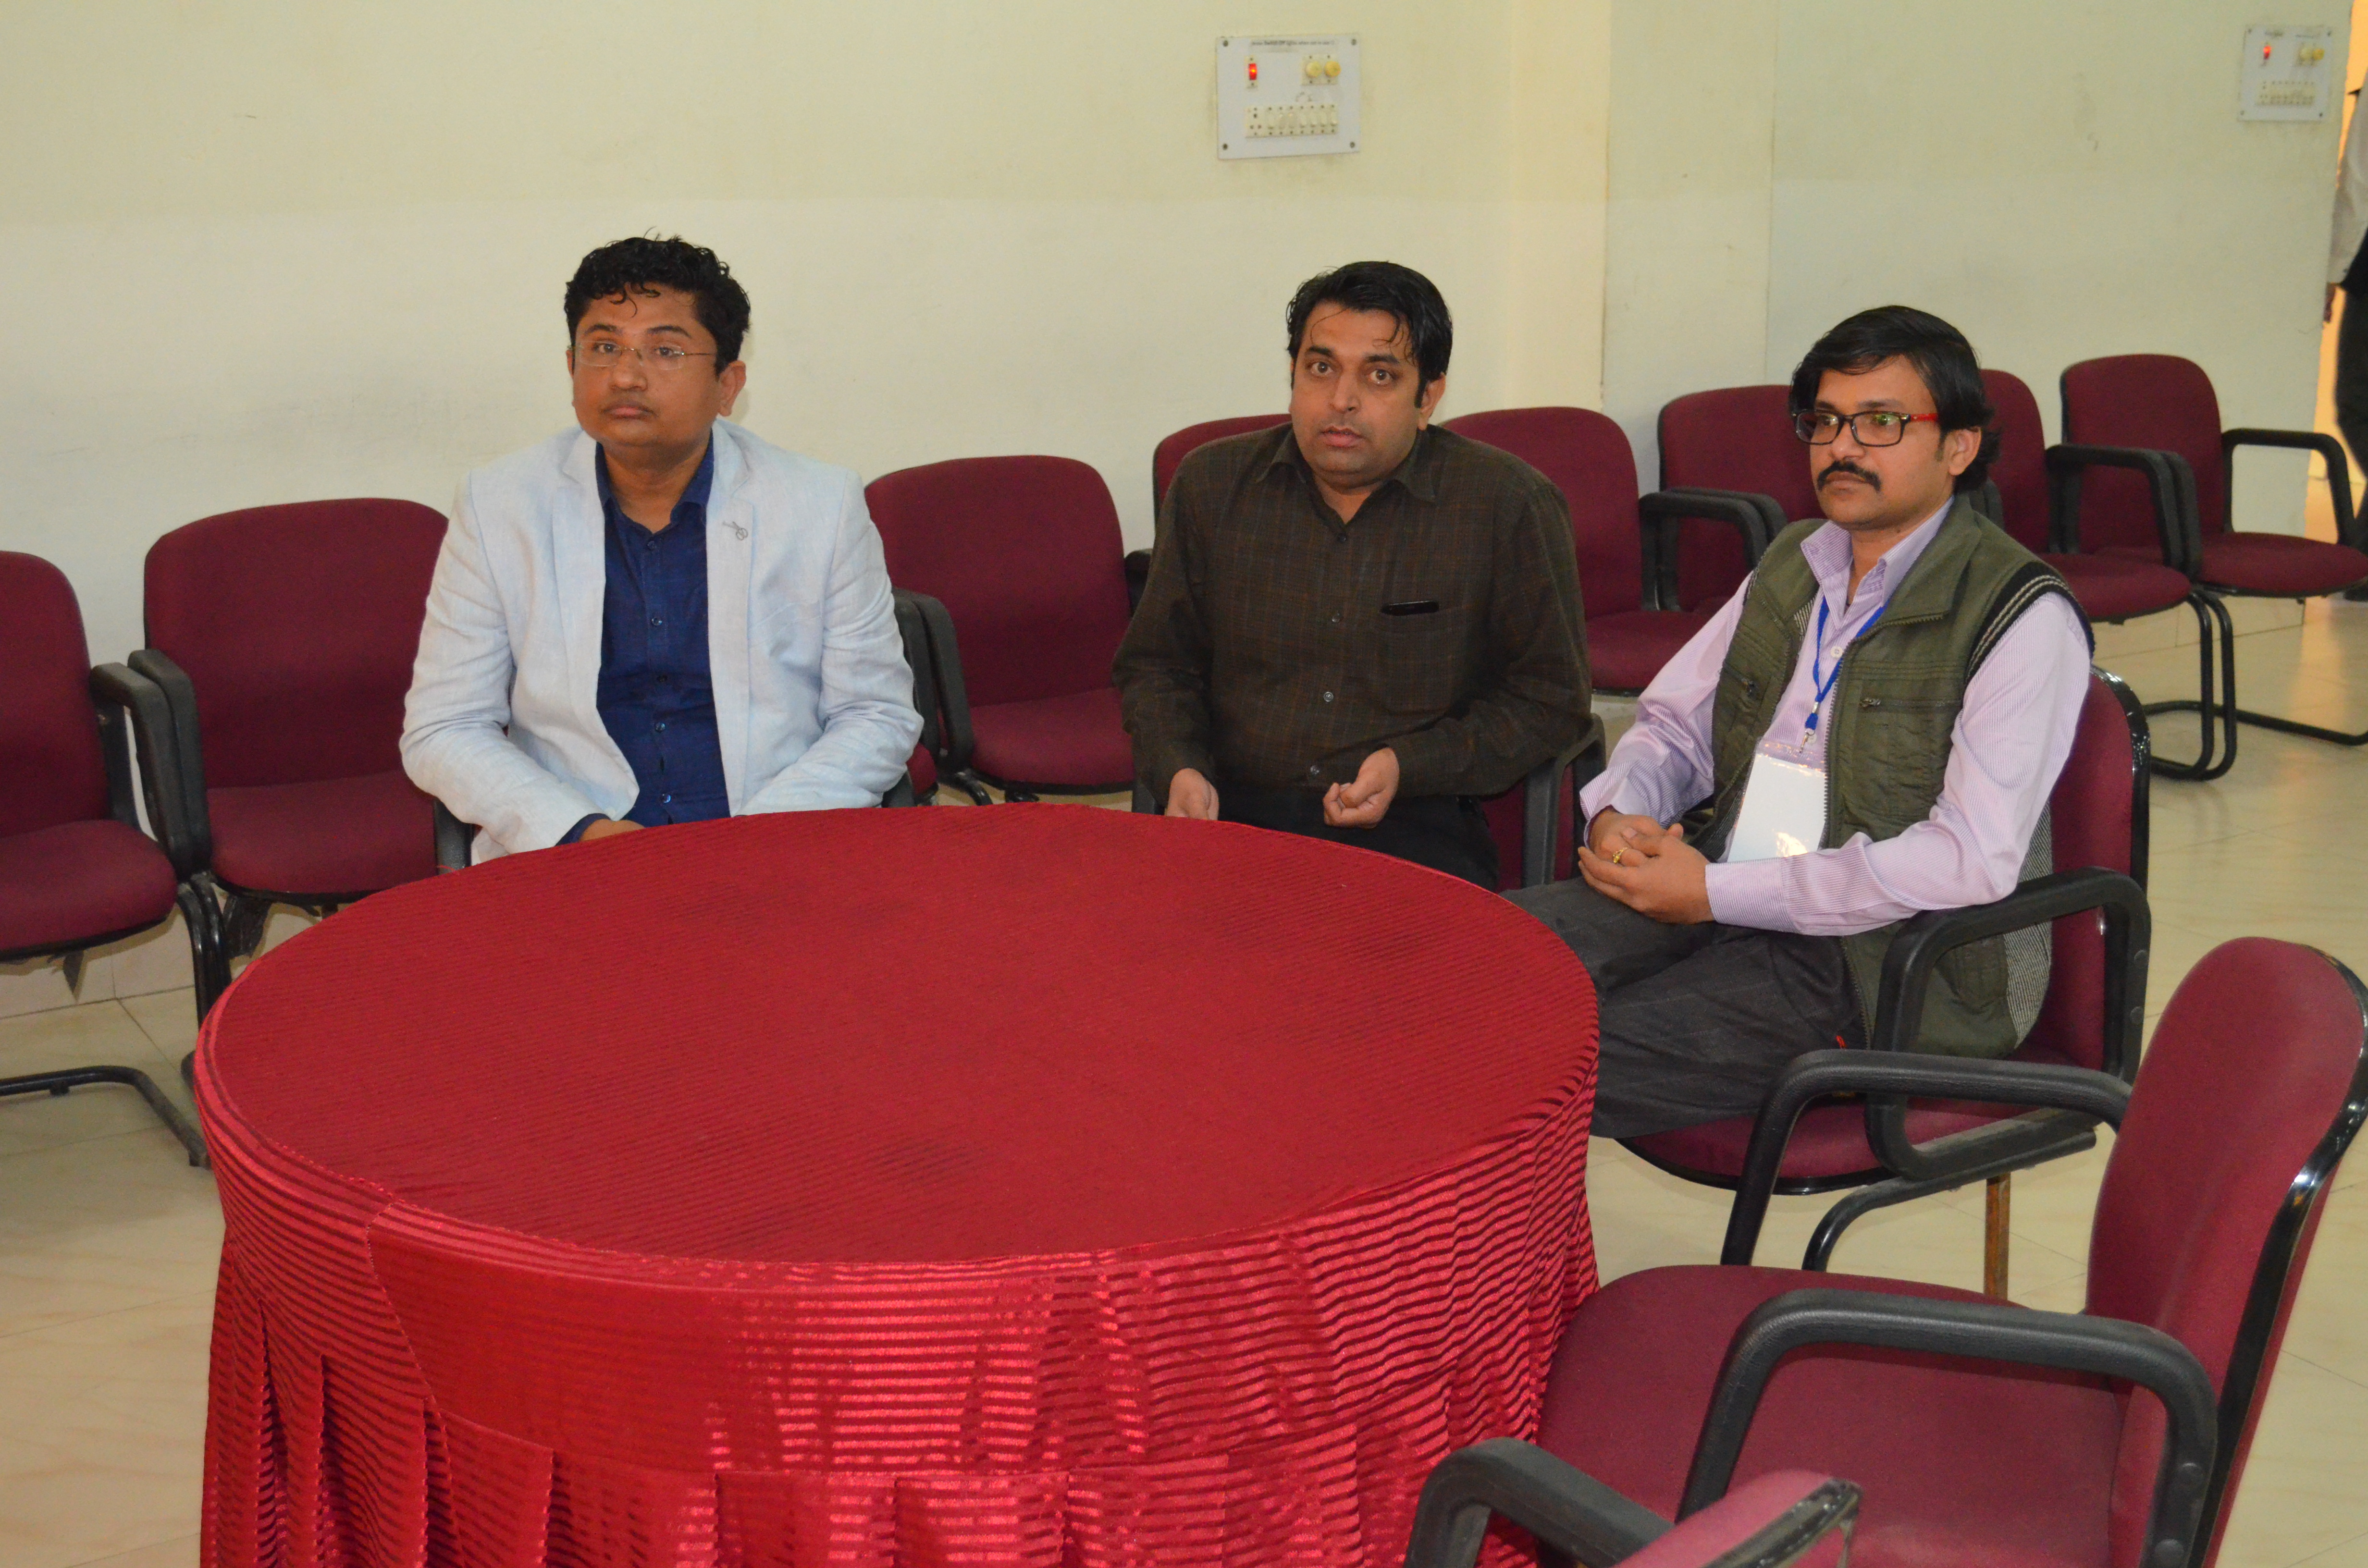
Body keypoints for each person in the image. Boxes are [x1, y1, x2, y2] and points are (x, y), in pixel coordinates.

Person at [1506, 306, 2092, 1138]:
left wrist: (1716, 895)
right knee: (1473, 973)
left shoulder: (2019, 614)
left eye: (1881, 422)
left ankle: (1469, 1227)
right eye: (1825, 421)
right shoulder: (1794, 562)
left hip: (1876, 959)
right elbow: (1675, 727)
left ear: (1959, 447)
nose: (1842, 447)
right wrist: (1622, 813)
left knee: (1544, 1061)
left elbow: (1969, 859)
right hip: (1721, 876)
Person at [403, 236, 919, 859]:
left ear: (728, 385)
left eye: (666, 350)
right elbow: (446, 725)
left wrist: (756, 837)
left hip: (771, 836)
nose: (625, 376)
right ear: (571, 368)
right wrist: (577, 831)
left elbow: (876, 714)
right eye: (604, 348)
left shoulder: (820, 505)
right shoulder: (499, 506)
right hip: (578, 849)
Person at [1112, 260, 1591, 887]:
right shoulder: (1211, 486)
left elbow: (1550, 700)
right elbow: (1157, 666)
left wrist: (1410, 764)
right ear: (1292, 375)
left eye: (1380, 375)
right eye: (1321, 368)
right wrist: (1180, 768)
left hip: (1414, 821)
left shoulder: (1507, 505)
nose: (1342, 400)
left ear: (1428, 398)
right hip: (1232, 813)